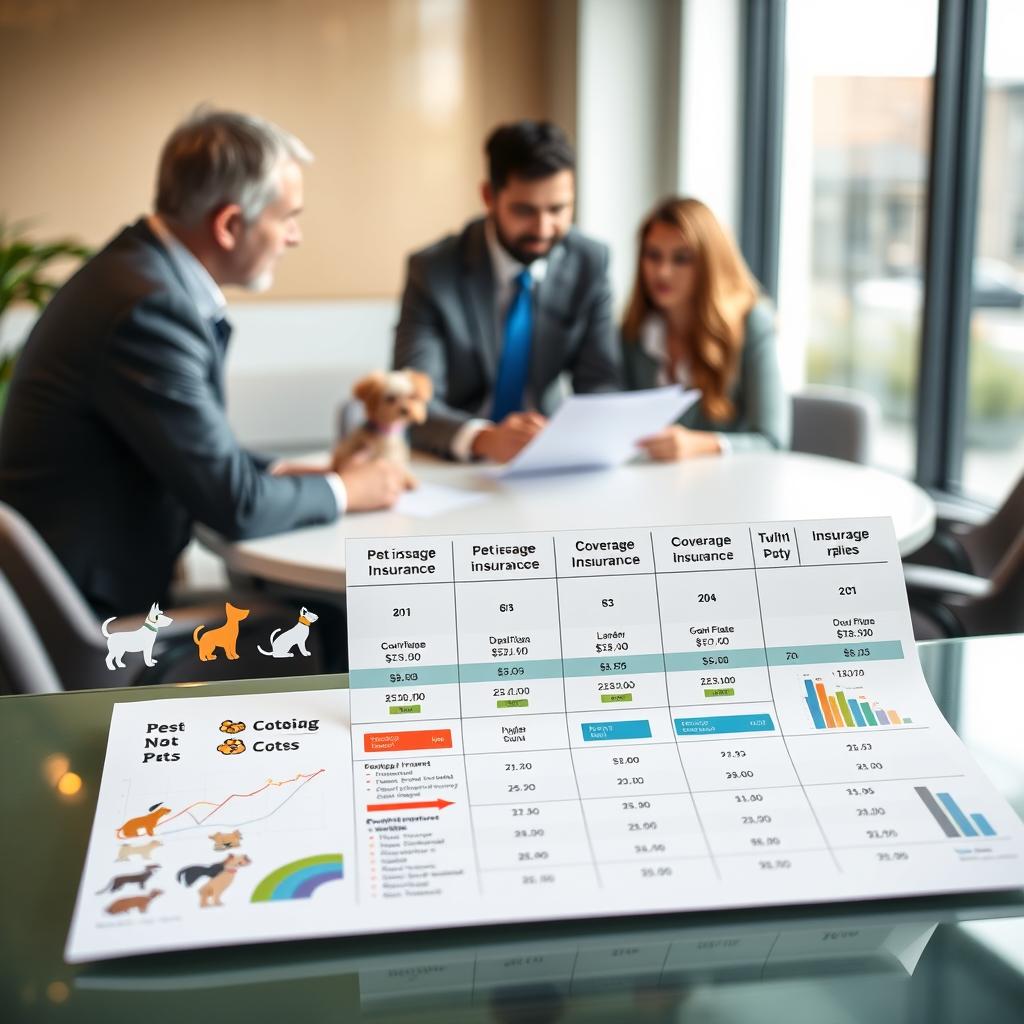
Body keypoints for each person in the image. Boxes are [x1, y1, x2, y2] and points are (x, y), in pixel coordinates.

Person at [0, 109, 403, 617]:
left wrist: (292, 470)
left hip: (83, 593)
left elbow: (200, 451)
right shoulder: (149, 308)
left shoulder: (138, 273)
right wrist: (346, 489)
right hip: (95, 621)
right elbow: (236, 506)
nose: (295, 237)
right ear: (231, 225)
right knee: (321, 628)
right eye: (288, 218)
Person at [392, 120, 620, 462]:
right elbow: (413, 403)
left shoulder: (590, 262)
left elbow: (601, 386)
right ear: (489, 197)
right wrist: (484, 438)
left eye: (558, 210)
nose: (543, 229)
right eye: (525, 211)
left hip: (547, 455)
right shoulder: (433, 271)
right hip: (453, 460)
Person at [620, 197, 790, 458]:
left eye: (681, 259)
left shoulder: (751, 324)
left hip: (730, 489)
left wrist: (702, 445)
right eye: (653, 256)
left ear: (710, 263)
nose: (663, 272)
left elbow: (773, 440)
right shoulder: (634, 332)